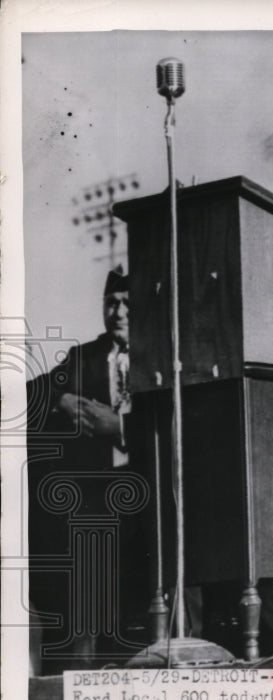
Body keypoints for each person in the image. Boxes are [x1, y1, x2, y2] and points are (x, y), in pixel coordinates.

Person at [27, 267, 146, 671]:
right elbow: (32, 392)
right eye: (111, 302)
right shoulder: (87, 357)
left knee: (135, 612)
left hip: (149, 503)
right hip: (97, 504)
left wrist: (123, 428)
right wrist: (59, 399)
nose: (119, 311)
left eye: (129, 301)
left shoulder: (165, 354)